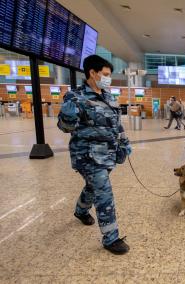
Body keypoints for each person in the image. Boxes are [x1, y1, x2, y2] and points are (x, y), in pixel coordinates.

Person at [57, 55, 131, 255]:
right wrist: (67, 115)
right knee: (103, 193)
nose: (108, 78)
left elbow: (117, 124)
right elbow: (65, 127)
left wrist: (124, 144)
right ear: (92, 72)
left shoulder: (108, 97)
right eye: (105, 74)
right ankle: (111, 238)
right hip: (87, 156)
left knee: (92, 187)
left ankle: (80, 211)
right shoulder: (75, 97)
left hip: (107, 155)